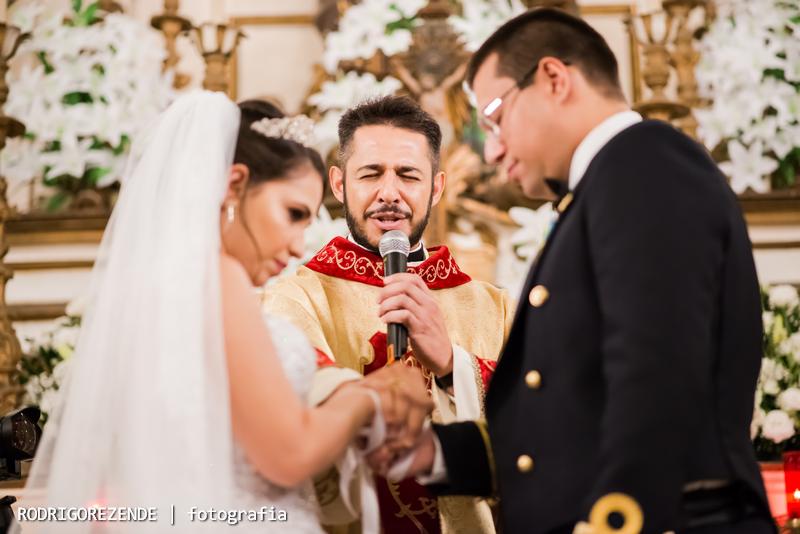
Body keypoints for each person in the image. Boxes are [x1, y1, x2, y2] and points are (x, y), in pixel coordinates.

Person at [376, 8, 775, 534]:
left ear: (554, 80)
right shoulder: (601, 191)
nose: (492, 149)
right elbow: (567, 423)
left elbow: (656, 374)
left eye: (494, 117)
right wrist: (430, 453)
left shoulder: (646, 164)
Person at [20, 92, 432, 533]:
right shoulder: (216, 278)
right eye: (292, 213)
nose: (297, 245)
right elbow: (289, 454)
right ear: (234, 185)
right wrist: (369, 394)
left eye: (307, 223)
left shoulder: (167, 284)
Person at [262, 95, 512, 533]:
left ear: (436, 188)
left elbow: (547, 426)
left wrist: (456, 368)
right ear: (339, 185)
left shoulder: (494, 307)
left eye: (408, 175)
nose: (389, 193)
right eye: (371, 174)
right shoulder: (298, 297)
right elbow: (286, 415)